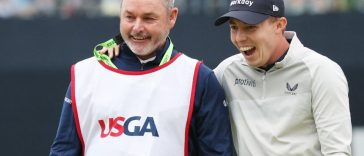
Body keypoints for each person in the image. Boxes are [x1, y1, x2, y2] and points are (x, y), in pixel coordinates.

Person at [49, 0, 236, 155]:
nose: (137, 28)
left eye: (149, 18)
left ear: (172, 17)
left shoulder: (199, 78)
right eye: (129, 17)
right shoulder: (85, 74)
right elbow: (64, 150)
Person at [213, 0, 352, 155]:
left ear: (279, 25)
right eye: (234, 27)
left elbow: (337, 151)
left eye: (250, 27)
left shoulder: (322, 71)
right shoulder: (225, 72)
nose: (239, 38)